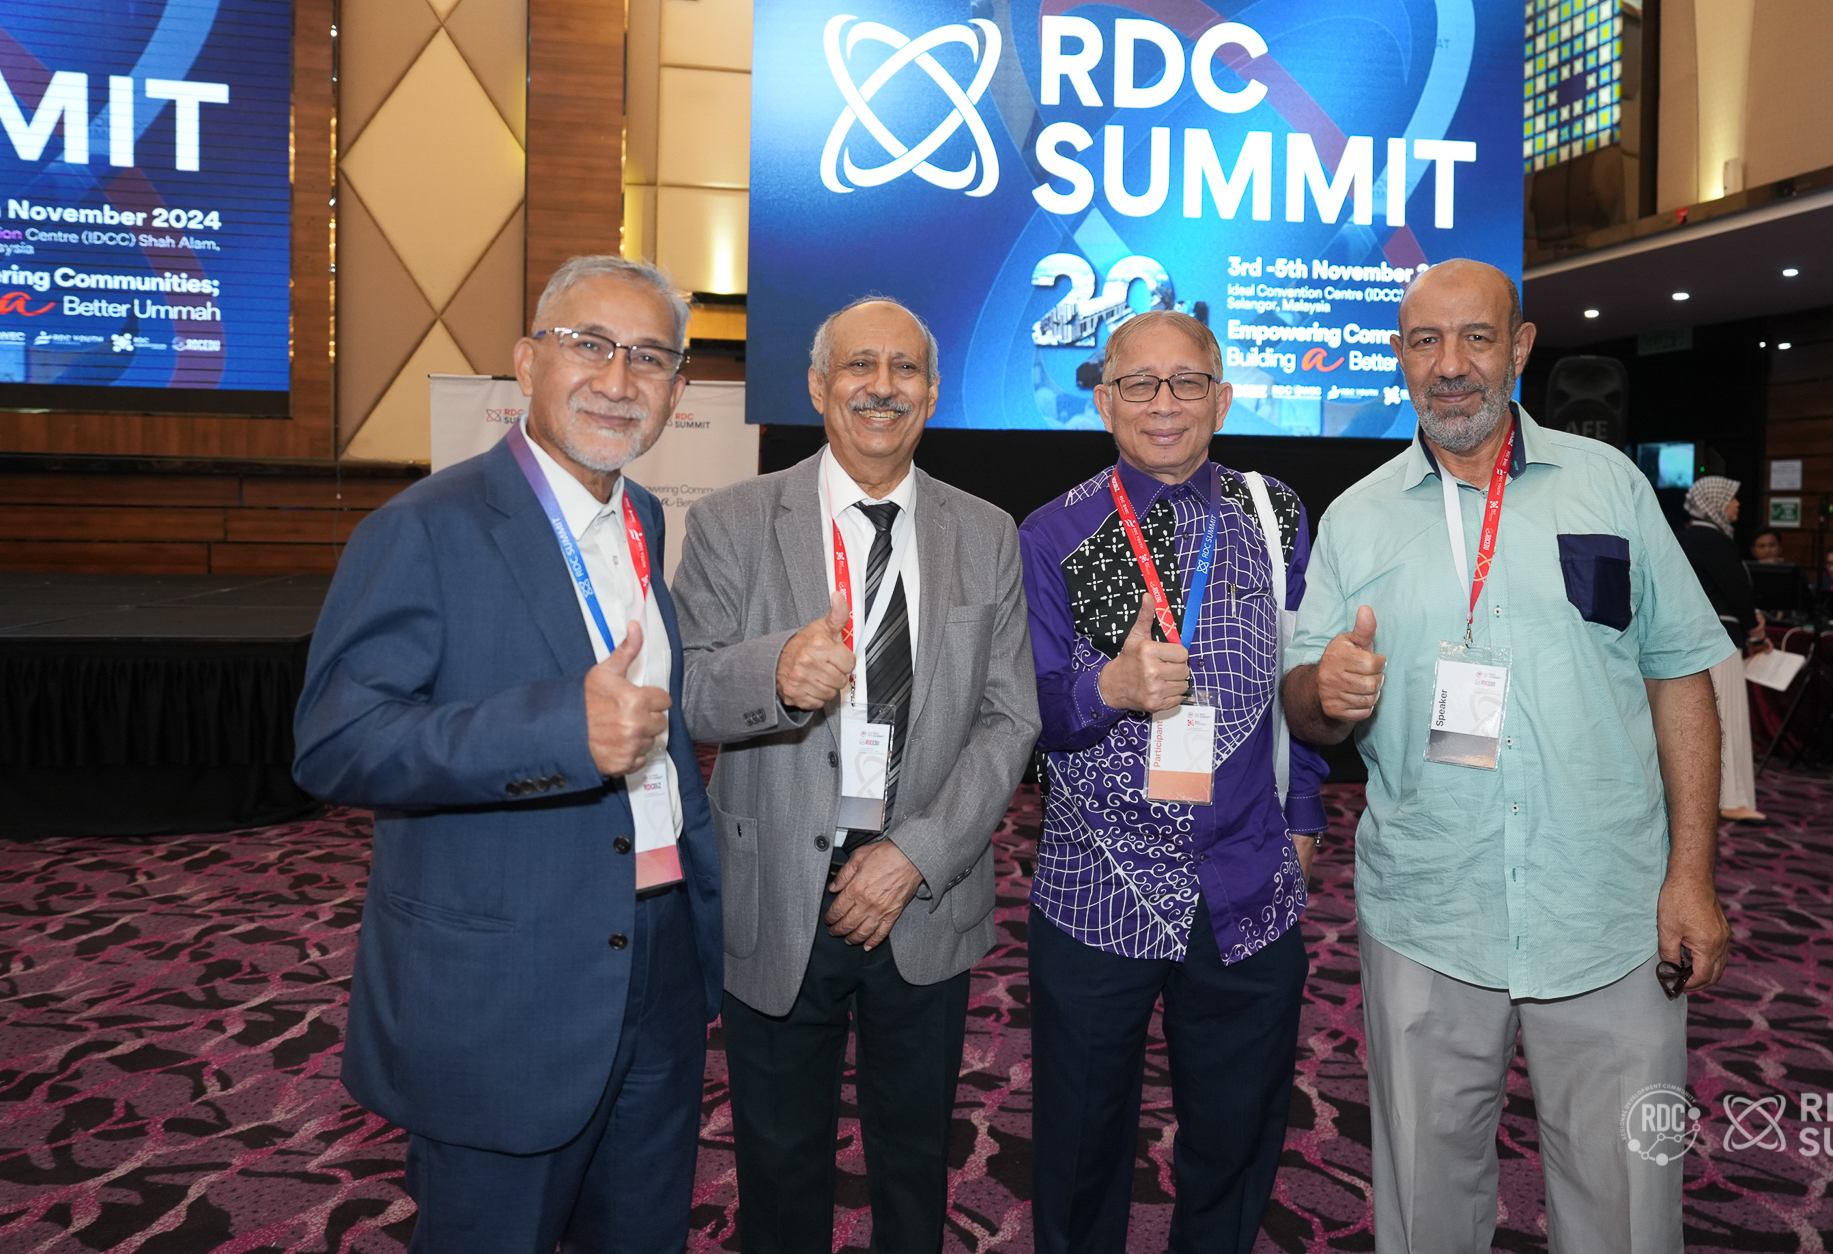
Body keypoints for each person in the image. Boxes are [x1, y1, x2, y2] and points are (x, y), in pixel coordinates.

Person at [1281, 259, 1733, 1254]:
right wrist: (1324, 691)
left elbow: (1679, 678)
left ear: (1519, 348)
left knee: (1627, 1208)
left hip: (1606, 913)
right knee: (1424, 1206)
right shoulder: (1356, 517)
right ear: (1399, 358)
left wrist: (1692, 875)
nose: (1451, 365)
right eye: (1426, 341)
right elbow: (1304, 706)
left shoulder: (1608, 486)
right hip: (1428, 914)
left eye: (1476, 337)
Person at [294, 256, 722, 1253]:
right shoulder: (423, 528)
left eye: (648, 358)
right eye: (589, 345)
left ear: (676, 392)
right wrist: (559, 733)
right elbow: (336, 741)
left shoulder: (644, 517)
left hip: (659, 957)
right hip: (506, 982)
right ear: (527, 363)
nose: (617, 379)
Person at [671, 297, 1038, 1254]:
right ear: (816, 385)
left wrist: (916, 854)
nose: (882, 387)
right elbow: (688, 691)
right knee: (779, 1162)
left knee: (913, 1164)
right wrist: (773, 675)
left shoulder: (986, 531)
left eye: (905, 368)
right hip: (777, 889)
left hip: (924, 890)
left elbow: (1010, 719)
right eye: (859, 365)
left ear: (933, 391)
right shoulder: (732, 521)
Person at [1017, 310, 1329, 1254]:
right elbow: (1029, 711)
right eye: (1138, 383)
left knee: (1236, 1140)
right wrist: (1107, 688)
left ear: (1221, 399)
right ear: (1104, 401)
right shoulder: (1054, 531)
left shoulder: (1274, 515)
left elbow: (1300, 674)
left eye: (1186, 381)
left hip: (1246, 880)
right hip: (1098, 883)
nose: (1164, 402)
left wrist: (1304, 810)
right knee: (1079, 1145)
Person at [1677, 477, 1768, 824]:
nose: (1737, 504)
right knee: (1726, 717)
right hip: (1720, 637)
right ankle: (1729, 798)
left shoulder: (1682, 538)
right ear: (1714, 503)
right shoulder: (1713, 540)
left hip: (1688, 639)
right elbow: (1736, 590)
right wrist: (1754, 625)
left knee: (1695, 721)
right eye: (1732, 499)